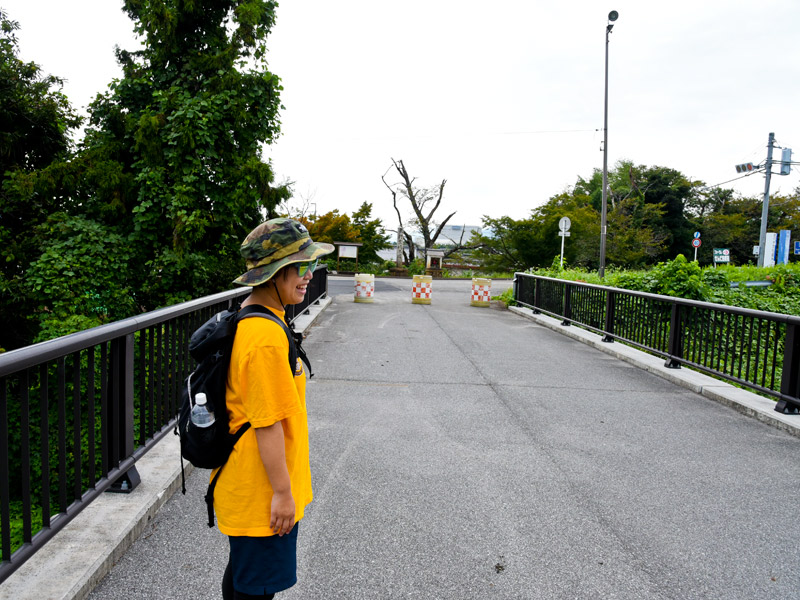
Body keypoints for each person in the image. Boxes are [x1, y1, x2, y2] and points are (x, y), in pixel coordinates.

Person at [215, 218, 333, 600]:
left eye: (311, 266)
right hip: (263, 493)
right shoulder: (264, 336)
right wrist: (283, 494)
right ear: (275, 273)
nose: (309, 275)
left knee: (243, 581)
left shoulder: (259, 315)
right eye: (301, 267)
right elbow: (267, 424)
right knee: (254, 590)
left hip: (253, 485)